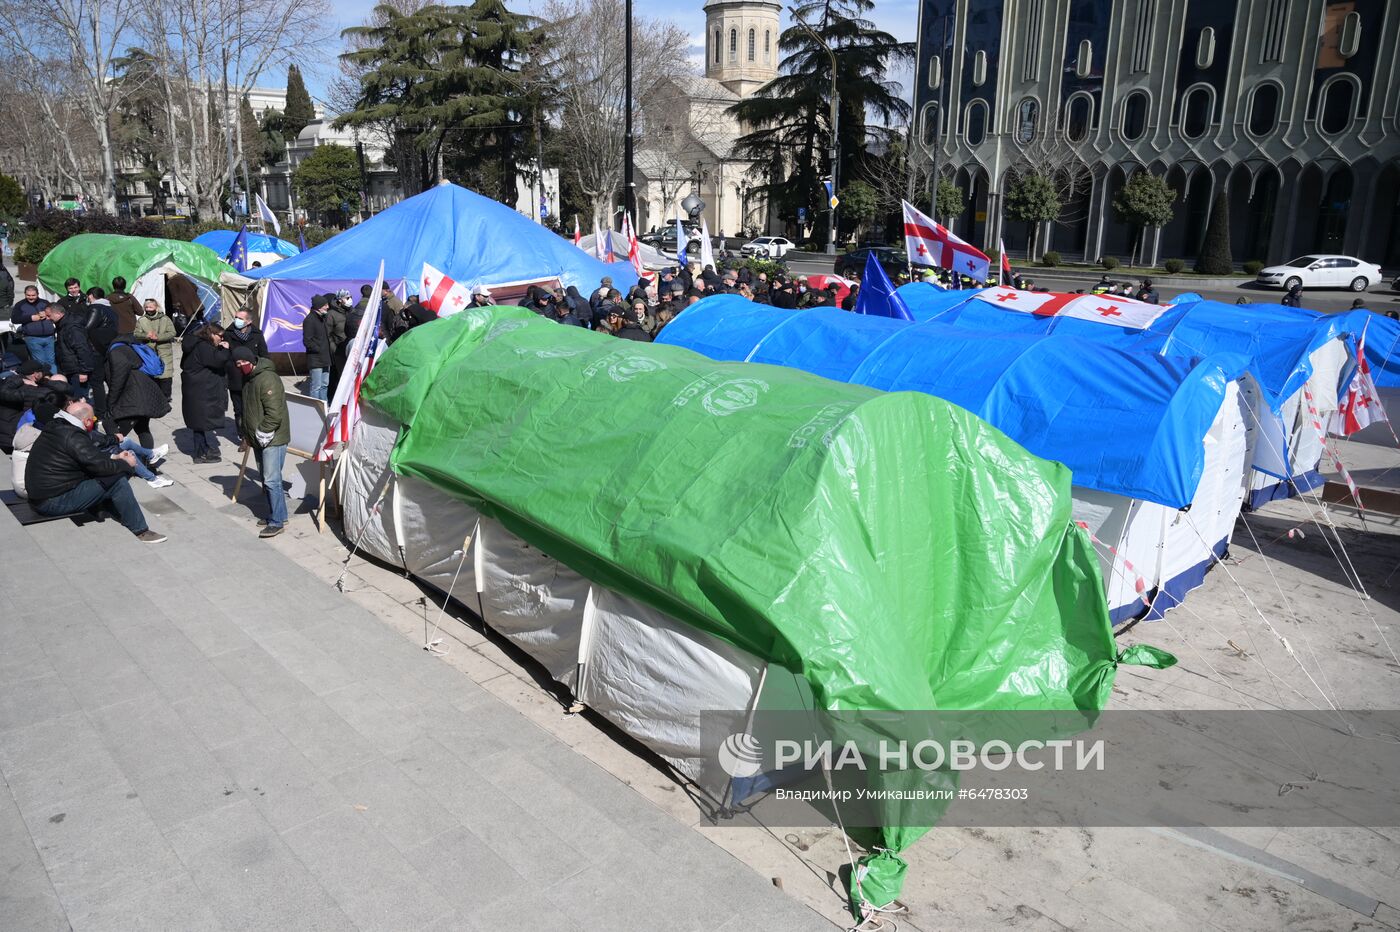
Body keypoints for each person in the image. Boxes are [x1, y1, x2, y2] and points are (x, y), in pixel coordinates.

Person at [24, 396, 166, 542]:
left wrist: (115, 458)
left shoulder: (59, 425)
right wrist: (126, 464)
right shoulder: (73, 436)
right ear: (87, 422)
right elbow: (99, 466)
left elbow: (91, 456)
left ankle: (100, 508)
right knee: (118, 481)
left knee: (102, 474)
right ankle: (141, 530)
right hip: (51, 502)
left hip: (43, 494)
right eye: (94, 419)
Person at [232, 346, 290, 538]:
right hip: (258, 437)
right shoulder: (249, 377)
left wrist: (263, 430)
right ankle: (278, 513)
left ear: (252, 360)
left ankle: (277, 522)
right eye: (237, 364)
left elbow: (274, 413)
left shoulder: (267, 379)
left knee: (272, 480)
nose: (241, 366)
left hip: (272, 437)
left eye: (243, 362)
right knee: (268, 479)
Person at [103, 331, 170, 450]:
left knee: (110, 424)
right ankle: (149, 459)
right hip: (145, 392)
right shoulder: (128, 345)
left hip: (135, 398)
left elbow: (118, 380)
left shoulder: (116, 352)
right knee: (142, 429)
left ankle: (112, 458)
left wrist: (111, 404)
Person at [181, 323, 231, 462]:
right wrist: (225, 349)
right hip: (200, 389)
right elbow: (219, 360)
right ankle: (200, 453)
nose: (221, 339)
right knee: (199, 422)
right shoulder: (203, 347)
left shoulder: (197, 344)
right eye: (220, 336)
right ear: (211, 334)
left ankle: (203, 449)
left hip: (196, 388)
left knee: (198, 422)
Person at [225, 307, 269, 435]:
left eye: (240, 318)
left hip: (252, 378)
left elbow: (264, 355)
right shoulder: (228, 334)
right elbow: (223, 358)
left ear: (248, 322)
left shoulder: (257, 335)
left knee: (253, 408)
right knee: (239, 410)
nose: (236, 320)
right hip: (235, 379)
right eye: (236, 317)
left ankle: (254, 432)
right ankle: (243, 436)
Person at [47, 302, 98, 401]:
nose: (47, 318)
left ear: (58, 314)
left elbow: (82, 349)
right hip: (69, 367)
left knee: (82, 397)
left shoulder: (72, 328)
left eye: (49, 316)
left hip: (77, 370)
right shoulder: (61, 325)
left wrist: (84, 371)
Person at [0, 360, 53, 453]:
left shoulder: (11, 381)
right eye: (42, 372)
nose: (44, 374)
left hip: (5, 437)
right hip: (14, 440)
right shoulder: (31, 391)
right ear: (36, 374)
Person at [136, 299, 177, 402]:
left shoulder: (165, 319)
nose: (148, 309)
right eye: (147, 307)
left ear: (156, 307)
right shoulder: (142, 320)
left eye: (151, 307)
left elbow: (172, 332)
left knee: (166, 374)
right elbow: (136, 334)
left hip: (164, 350)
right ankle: (154, 395)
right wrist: (146, 336)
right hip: (148, 350)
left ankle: (166, 396)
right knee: (151, 373)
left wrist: (158, 337)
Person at [11, 285, 56, 375]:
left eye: (33, 295)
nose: (31, 297)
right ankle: (44, 382)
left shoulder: (45, 302)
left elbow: (55, 313)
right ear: (25, 294)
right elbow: (14, 319)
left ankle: (54, 381)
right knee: (40, 361)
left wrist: (47, 314)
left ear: (37, 294)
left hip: (49, 337)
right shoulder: (20, 305)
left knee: (51, 361)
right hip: (33, 338)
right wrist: (30, 318)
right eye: (28, 295)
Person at [302, 294, 333, 401]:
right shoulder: (310, 320)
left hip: (325, 358)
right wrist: (319, 349)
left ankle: (323, 408)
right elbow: (307, 341)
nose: (327, 307)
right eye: (325, 305)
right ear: (319, 306)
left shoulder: (322, 318)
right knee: (316, 387)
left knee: (325, 385)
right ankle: (314, 410)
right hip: (316, 360)